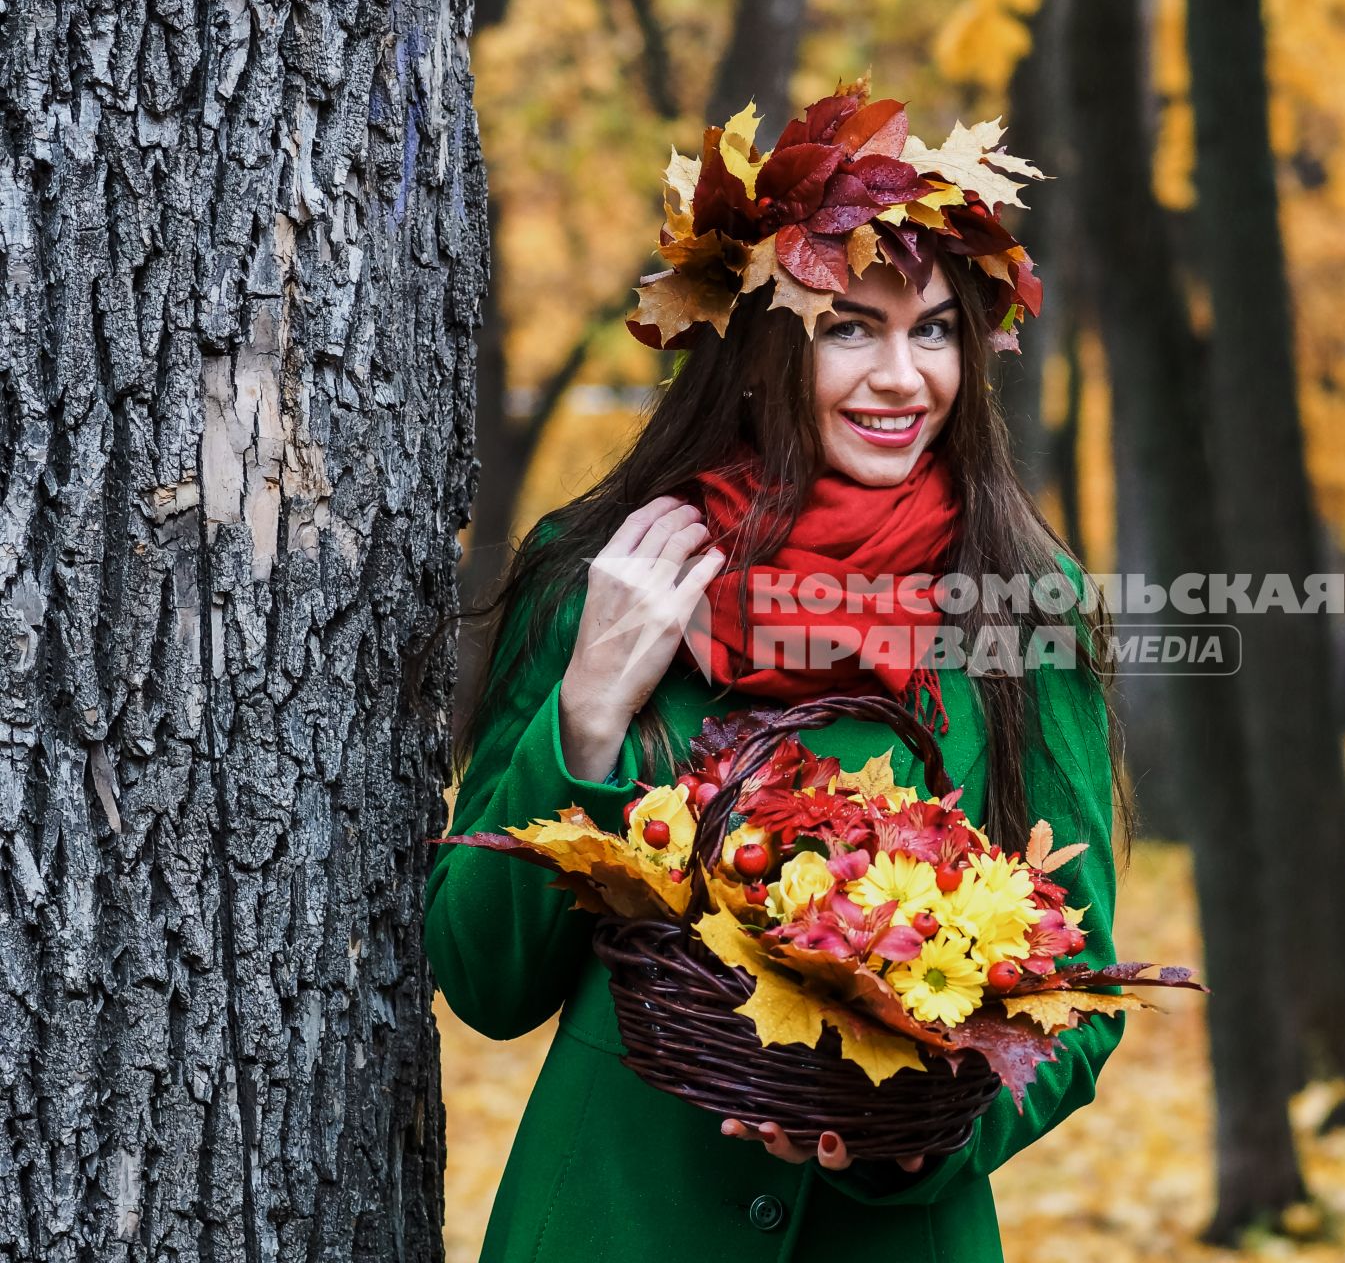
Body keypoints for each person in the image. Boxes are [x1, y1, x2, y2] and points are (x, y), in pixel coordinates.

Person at [425, 78, 1137, 1263]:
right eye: (851, 326)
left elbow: (1080, 995)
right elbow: (486, 979)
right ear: (760, 348)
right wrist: (589, 709)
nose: (905, 377)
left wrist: (917, 1139)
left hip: (896, 1236)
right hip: (615, 1218)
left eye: (937, 328)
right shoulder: (605, 567)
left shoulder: (1025, 597)